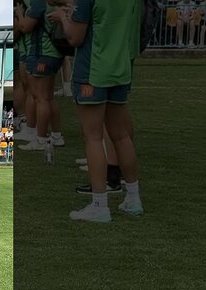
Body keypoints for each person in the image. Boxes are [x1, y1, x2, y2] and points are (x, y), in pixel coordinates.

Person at [49, 0, 144, 223]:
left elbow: (75, 37)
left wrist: (63, 17)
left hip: (93, 71)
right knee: (120, 136)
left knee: (93, 137)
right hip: (120, 68)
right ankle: (133, 198)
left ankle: (99, 205)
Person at [16, 0, 65, 151]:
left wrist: (18, 13)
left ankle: (41, 139)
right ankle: (56, 136)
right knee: (48, 97)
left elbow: (25, 26)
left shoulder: (37, 3)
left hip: (42, 54)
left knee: (41, 98)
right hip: (52, 53)